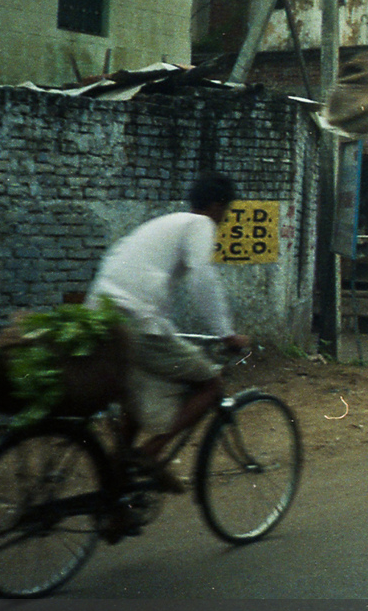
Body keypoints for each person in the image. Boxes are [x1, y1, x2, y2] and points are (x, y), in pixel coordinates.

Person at [85, 171, 250, 492]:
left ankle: (116, 492)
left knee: (135, 398)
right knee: (211, 384)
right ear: (217, 206)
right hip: (133, 318)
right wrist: (227, 333)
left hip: (103, 315)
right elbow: (202, 279)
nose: (224, 219)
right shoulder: (200, 224)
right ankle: (152, 451)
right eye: (227, 211)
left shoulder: (168, 223)